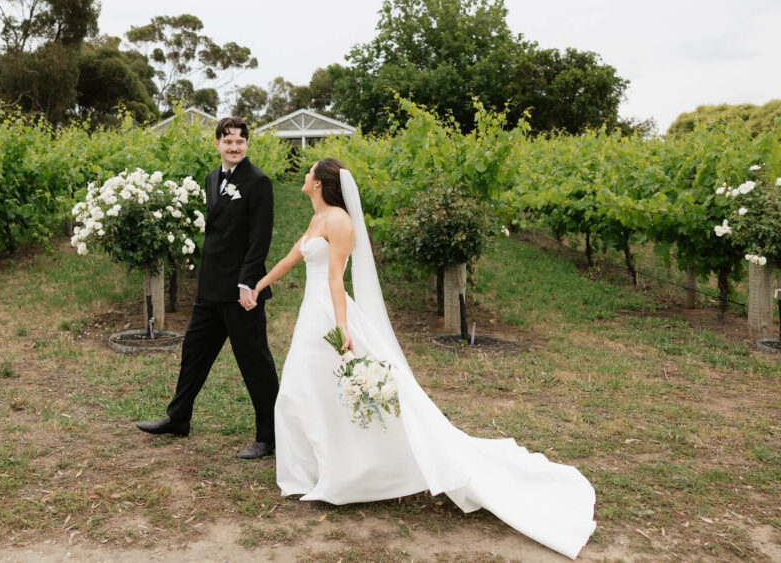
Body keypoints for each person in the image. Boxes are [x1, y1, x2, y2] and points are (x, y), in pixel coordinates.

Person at [248, 158, 597, 559]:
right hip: (313, 313)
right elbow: (292, 258)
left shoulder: (340, 222)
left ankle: (350, 472)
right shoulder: (317, 218)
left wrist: (342, 327)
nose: (305, 175)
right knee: (303, 392)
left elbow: (334, 279)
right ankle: (312, 470)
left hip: (329, 313)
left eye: (310, 172)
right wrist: (257, 286)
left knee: (309, 390)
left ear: (320, 183)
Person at [137, 117, 279, 460]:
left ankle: (269, 437)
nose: (234, 147)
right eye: (228, 141)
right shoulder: (212, 178)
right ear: (217, 144)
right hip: (210, 286)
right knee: (194, 352)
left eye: (240, 141)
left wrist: (247, 283)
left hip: (241, 292)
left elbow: (259, 239)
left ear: (247, 145)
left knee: (254, 362)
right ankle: (178, 418)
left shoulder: (258, 182)